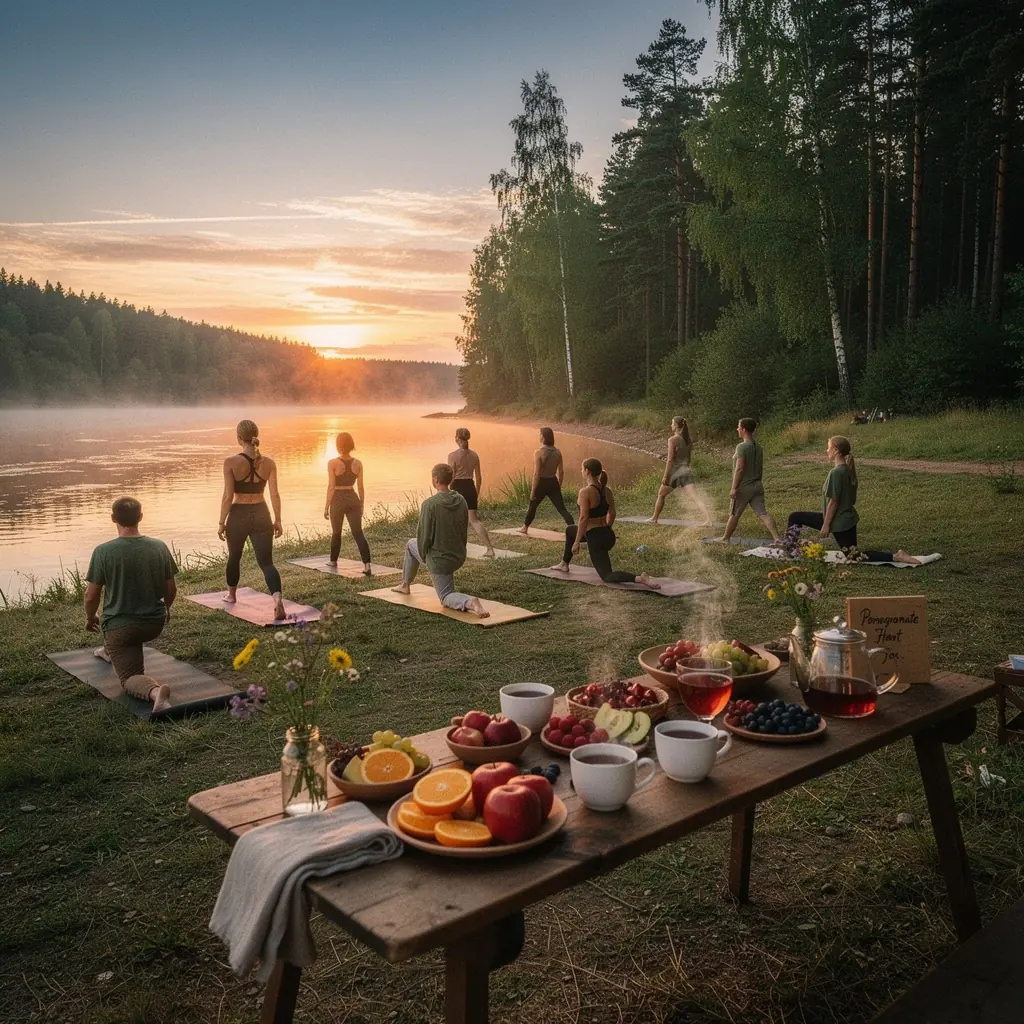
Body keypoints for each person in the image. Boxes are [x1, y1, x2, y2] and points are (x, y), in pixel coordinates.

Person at [85, 497, 178, 714]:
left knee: (128, 678)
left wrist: (91, 618)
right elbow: (171, 590)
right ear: (141, 517)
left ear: (113, 518)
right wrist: (167, 608)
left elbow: (91, 596)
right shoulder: (159, 547)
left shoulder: (103, 551)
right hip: (154, 623)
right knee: (120, 641)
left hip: (121, 629)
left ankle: (156, 693)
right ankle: (107, 650)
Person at [786, 435, 921, 564]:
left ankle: (896, 556)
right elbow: (852, 499)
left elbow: (833, 502)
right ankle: (791, 550)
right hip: (846, 518)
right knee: (796, 517)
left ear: (836, 450)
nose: (826, 450)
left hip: (838, 521)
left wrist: (826, 525)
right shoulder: (848, 470)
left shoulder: (836, 473)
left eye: (828, 447)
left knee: (854, 556)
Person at [391, 463, 490, 617]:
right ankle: (405, 584)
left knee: (445, 596)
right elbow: (463, 529)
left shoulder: (429, 505)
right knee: (412, 544)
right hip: (458, 556)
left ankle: (470, 602)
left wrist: (426, 558)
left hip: (440, 561)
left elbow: (423, 537)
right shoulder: (461, 500)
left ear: (436, 479)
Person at [550, 458, 660, 588]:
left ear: (587, 471)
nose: (581, 471)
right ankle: (564, 564)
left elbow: (584, 518)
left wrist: (577, 541)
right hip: (608, 535)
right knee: (570, 530)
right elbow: (612, 513)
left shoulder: (585, 492)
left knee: (607, 576)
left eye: (582, 469)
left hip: (595, 538)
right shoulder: (606, 491)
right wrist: (607, 528)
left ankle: (640, 578)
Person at [218, 419, 285, 621]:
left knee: (234, 556)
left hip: (238, 515)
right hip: (261, 513)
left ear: (239, 438)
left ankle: (231, 595)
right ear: (256, 436)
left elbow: (228, 497)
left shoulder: (230, 462)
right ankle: (277, 600)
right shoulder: (269, 463)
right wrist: (278, 519)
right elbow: (275, 494)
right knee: (266, 562)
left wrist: (221, 522)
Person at [715, 417, 781, 544]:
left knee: (734, 514)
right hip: (757, 485)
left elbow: (740, 468)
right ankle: (777, 538)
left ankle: (725, 538)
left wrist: (734, 487)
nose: (737, 429)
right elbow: (760, 467)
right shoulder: (758, 447)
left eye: (739, 427)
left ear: (744, 429)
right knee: (763, 513)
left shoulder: (742, 447)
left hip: (744, 487)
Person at [647, 415, 712, 525]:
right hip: (686, 471)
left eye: (672, 423)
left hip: (675, 473)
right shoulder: (688, 440)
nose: (670, 425)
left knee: (661, 494)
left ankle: (654, 518)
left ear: (676, 426)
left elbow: (670, 460)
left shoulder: (673, 440)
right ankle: (709, 519)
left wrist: (665, 476)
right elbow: (688, 459)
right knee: (695, 497)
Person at [324, 431, 372, 574]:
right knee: (358, 532)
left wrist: (327, 506)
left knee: (336, 532)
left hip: (338, 499)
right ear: (351, 445)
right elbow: (361, 487)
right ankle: (367, 565)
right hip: (353, 497)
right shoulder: (358, 463)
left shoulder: (332, 463)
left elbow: (331, 487)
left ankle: (333, 560)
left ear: (338, 446)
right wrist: (362, 504)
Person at [447, 427, 495, 557]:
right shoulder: (474, 455)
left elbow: (451, 476)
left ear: (457, 438)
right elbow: (479, 478)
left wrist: (448, 491)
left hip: (458, 486)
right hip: (470, 486)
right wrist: (476, 493)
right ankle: (490, 548)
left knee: (455, 519)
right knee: (474, 520)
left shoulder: (452, 456)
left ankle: (454, 548)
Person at [518, 426, 575, 534]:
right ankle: (574, 527)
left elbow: (537, 473)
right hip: (553, 481)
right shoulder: (558, 452)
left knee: (533, 505)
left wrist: (533, 490)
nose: (539, 436)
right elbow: (561, 471)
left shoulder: (538, 452)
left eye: (540, 434)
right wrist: (559, 485)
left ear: (543, 437)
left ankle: (525, 527)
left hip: (542, 482)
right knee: (562, 508)